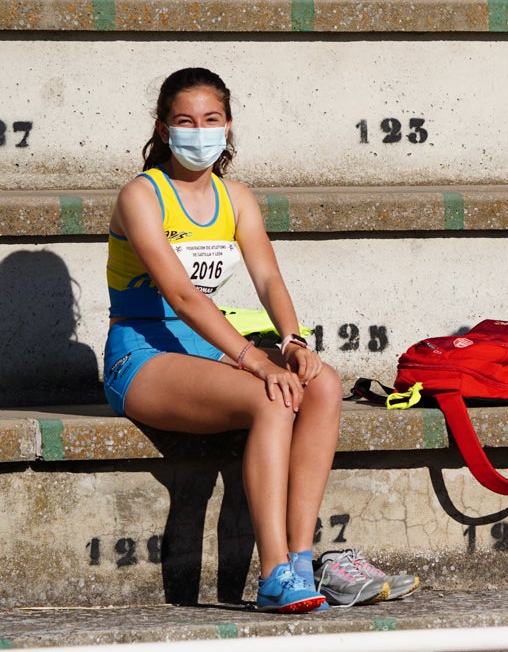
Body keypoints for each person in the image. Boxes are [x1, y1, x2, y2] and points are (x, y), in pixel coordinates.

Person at [104, 68, 416, 612]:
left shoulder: (236, 197)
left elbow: (268, 279)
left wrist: (293, 342)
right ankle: (273, 576)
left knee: (322, 384)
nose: (198, 131)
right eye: (184, 121)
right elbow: (180, 296)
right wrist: (254, 360)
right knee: (270, 395)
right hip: (143, 352)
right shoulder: (141, 194)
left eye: (211, 119)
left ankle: (302, 561)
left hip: (205, 345)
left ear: (228, 126)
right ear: (161, 128)